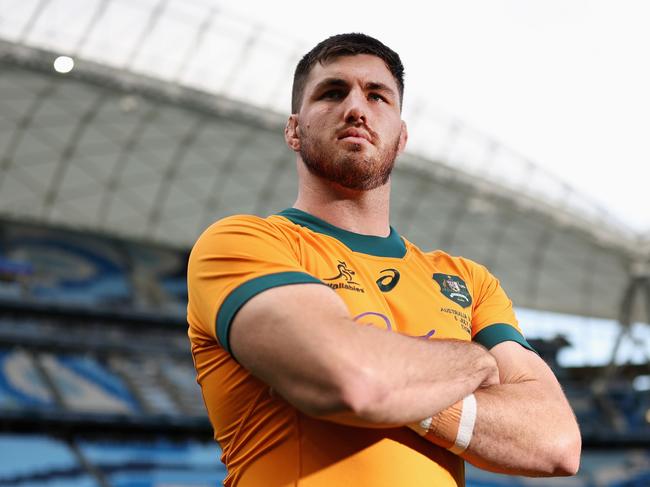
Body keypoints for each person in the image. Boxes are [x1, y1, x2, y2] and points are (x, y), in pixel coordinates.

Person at [187, 33, 581, 487]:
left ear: (402, 135)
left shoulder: (468, 280)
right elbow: (350, 382)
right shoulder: (243, 241)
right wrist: (476, 364)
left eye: (378, 96)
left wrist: (399, 385)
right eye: (333, 92)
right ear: (294, 129)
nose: (357, 108)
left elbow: (556, 442)